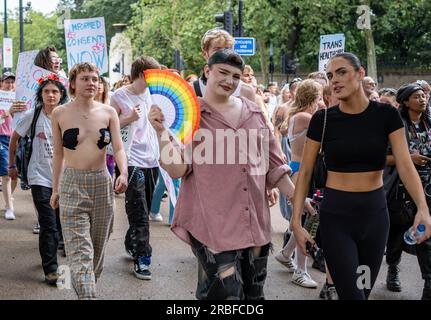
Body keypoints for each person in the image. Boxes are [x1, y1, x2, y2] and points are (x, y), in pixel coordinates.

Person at [148, 49, 315, 300]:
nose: (229, 81)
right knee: (226, 294)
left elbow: (274, 165)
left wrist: (297, 199)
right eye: (223, 73)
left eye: (236, 76)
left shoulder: (255, 112)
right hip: (211, 224)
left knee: (254, 295)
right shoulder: (192, 116)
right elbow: (177, 169)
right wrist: (160, 131)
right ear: (207, 71)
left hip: (254, 222)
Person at [291, 52, 431, 300]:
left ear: (360, 73)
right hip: (337, 218)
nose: (335, 80)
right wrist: (295, 222)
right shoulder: (322, 120)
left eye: (342, 72)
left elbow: (405, 165)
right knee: (352, 295)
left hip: (375, 218)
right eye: (330, 75)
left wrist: (423, 208)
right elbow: (305, 173)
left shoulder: (386, 116)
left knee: (363, 290)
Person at [50, 62, 128, 300]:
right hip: (72, 183)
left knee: (96, 249)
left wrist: (122, 173)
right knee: (79, 248)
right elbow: (58, 153)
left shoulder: (108, 112)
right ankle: (87, 295)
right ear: (73, 83)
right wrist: (56, 189)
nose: (91, 83)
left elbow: (118, 148)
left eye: (95, 79)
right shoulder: (60, 113)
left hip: (102, 184)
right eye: (85, 78)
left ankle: (86, 284)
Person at [8, 74, 69, 284]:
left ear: (62, 95)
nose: (51, 95)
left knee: (61, 221)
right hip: (39, 176)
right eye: (46, 91)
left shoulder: (68, 116)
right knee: (48, 223)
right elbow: (14, 138)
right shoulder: (32, 116)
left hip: (65, 177)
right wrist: (11, 165)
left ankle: (53, 249)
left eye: (55, 91)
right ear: (41, 94)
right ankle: (51, 269)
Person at [110, 56, 161, 280]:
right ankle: (143, 258)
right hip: (130, 160)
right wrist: (127, 118)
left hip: (154, 159)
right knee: (139, 212)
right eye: (154, 74)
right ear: (142, 74)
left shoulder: (156, 94)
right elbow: (107, 126)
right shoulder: (119, 96)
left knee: (145, 207)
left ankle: (132, 241)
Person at [385, 83, 431, 300]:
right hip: (401, 191)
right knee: (396, 235)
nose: (422, 100)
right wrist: (407, 159)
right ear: (404, 102)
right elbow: (380, 158)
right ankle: (393, 267)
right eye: (416, 96)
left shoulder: (429, 123)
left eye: (424, 96)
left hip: (428, 190)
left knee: (426, 236)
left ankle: (429, 282)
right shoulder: (396, 126)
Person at [275, 80, 322, 289]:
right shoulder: (305, 117)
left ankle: (286, 254)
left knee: (304, 217)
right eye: (319, 97)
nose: (321, 101)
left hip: (299, 168)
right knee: (304, 220)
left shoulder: (296, 116)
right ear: (313, 97)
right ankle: (300, 271)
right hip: (302, 171)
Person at [0, 72, 17, 220]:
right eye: (7, 82)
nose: (10, 85)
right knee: (6, 173)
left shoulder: (18, 99)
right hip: (2, 138)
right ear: (1, 83)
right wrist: (4, 115)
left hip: (17, 138)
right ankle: (9, 207)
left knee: (15, 175)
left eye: (12, 82)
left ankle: (9, 198)